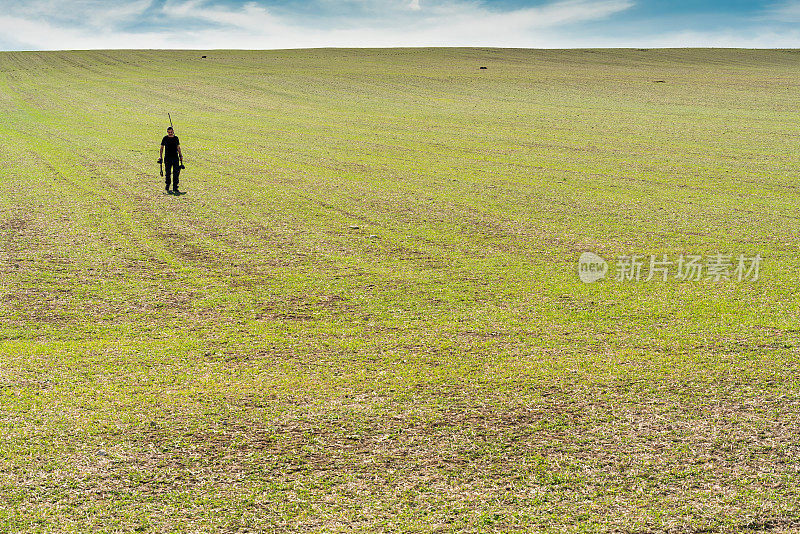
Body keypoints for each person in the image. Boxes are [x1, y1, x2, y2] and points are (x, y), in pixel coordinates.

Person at [158, 126, 184, 194]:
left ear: (173, 132)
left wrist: (180, 156)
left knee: (176, 173)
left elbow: (178, 147)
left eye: (171, 132)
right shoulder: (165, 138)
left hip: (175, 158)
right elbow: (161, 148)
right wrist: (160, 157)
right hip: (167, 158)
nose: (170, 133)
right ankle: (167, 185)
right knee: (168, 173)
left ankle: (175, 187)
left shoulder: (176, 138)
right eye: (169, 132)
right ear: (167, 132)